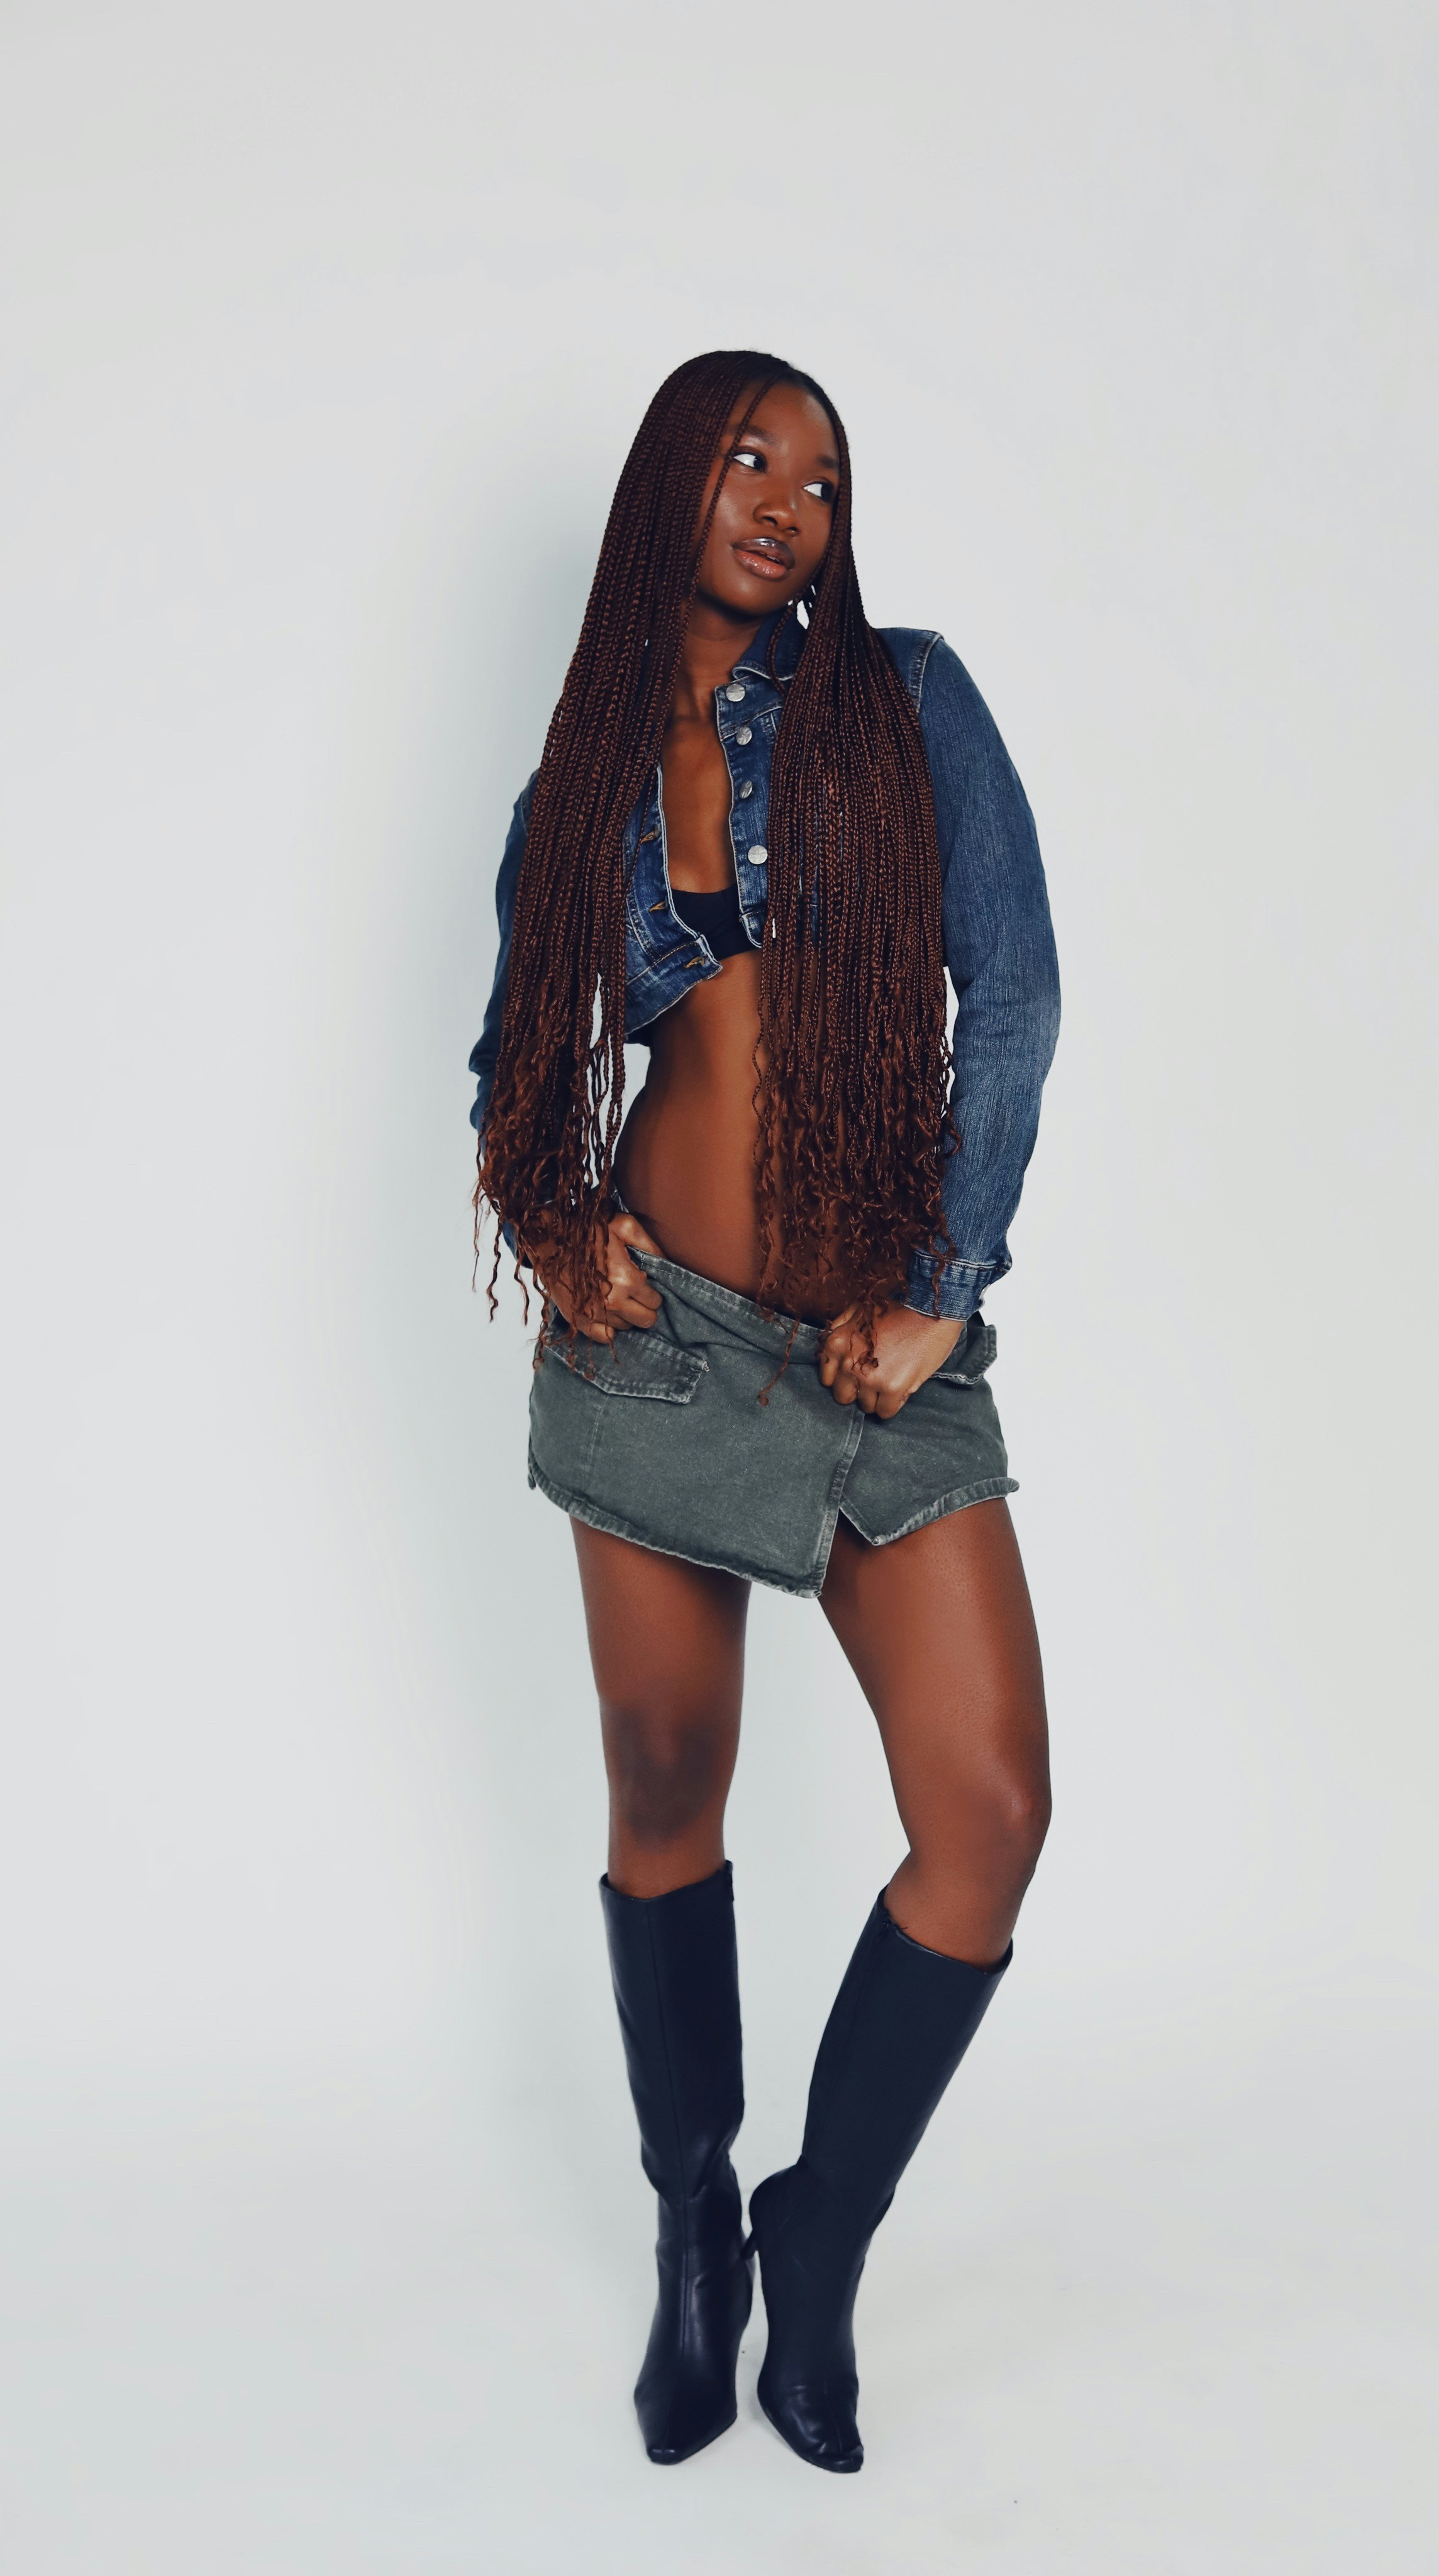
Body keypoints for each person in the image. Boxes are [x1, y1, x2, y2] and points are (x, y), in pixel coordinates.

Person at [469, 350, 1059, 2473]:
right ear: (667, 485)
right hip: (659, 1342)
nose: (788, 499)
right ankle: (694, 2234)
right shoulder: (587, 773)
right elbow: (513, 1060)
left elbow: (1016, 988)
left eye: (822, 474)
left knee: (985, 1811)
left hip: (861, 1354)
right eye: (747, 455)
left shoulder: (905, 707)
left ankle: (819, 2244)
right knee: (660, 1783)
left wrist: (937, 1290)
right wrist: (554, 1227)